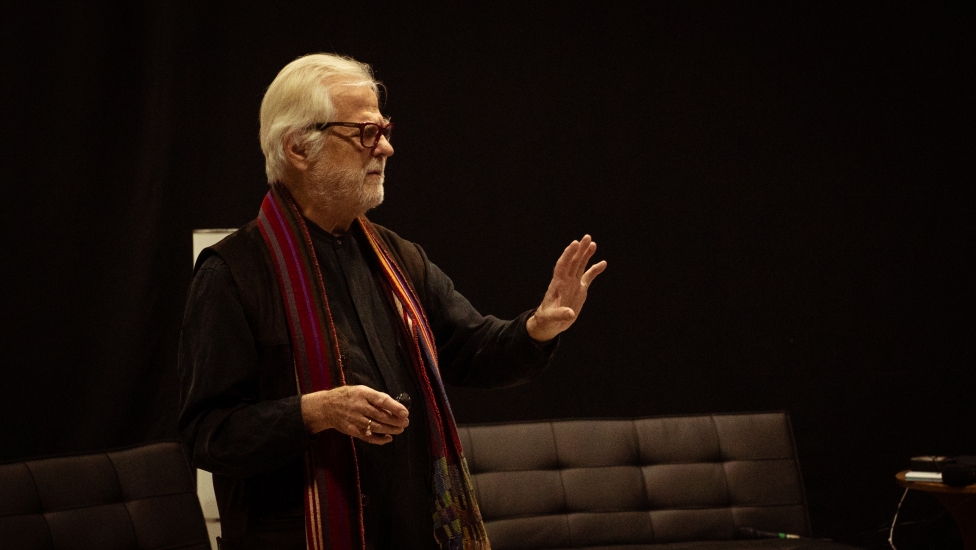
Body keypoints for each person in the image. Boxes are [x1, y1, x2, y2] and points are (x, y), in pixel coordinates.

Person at [177, 53, 606, 550]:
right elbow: (207, 434)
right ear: (298, 147)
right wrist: (316, 412)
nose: (386, 147)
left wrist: (538, 328)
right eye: (365, 133)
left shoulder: (396, 257)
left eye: (384, 129)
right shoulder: (232, 273)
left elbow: (473, 350)